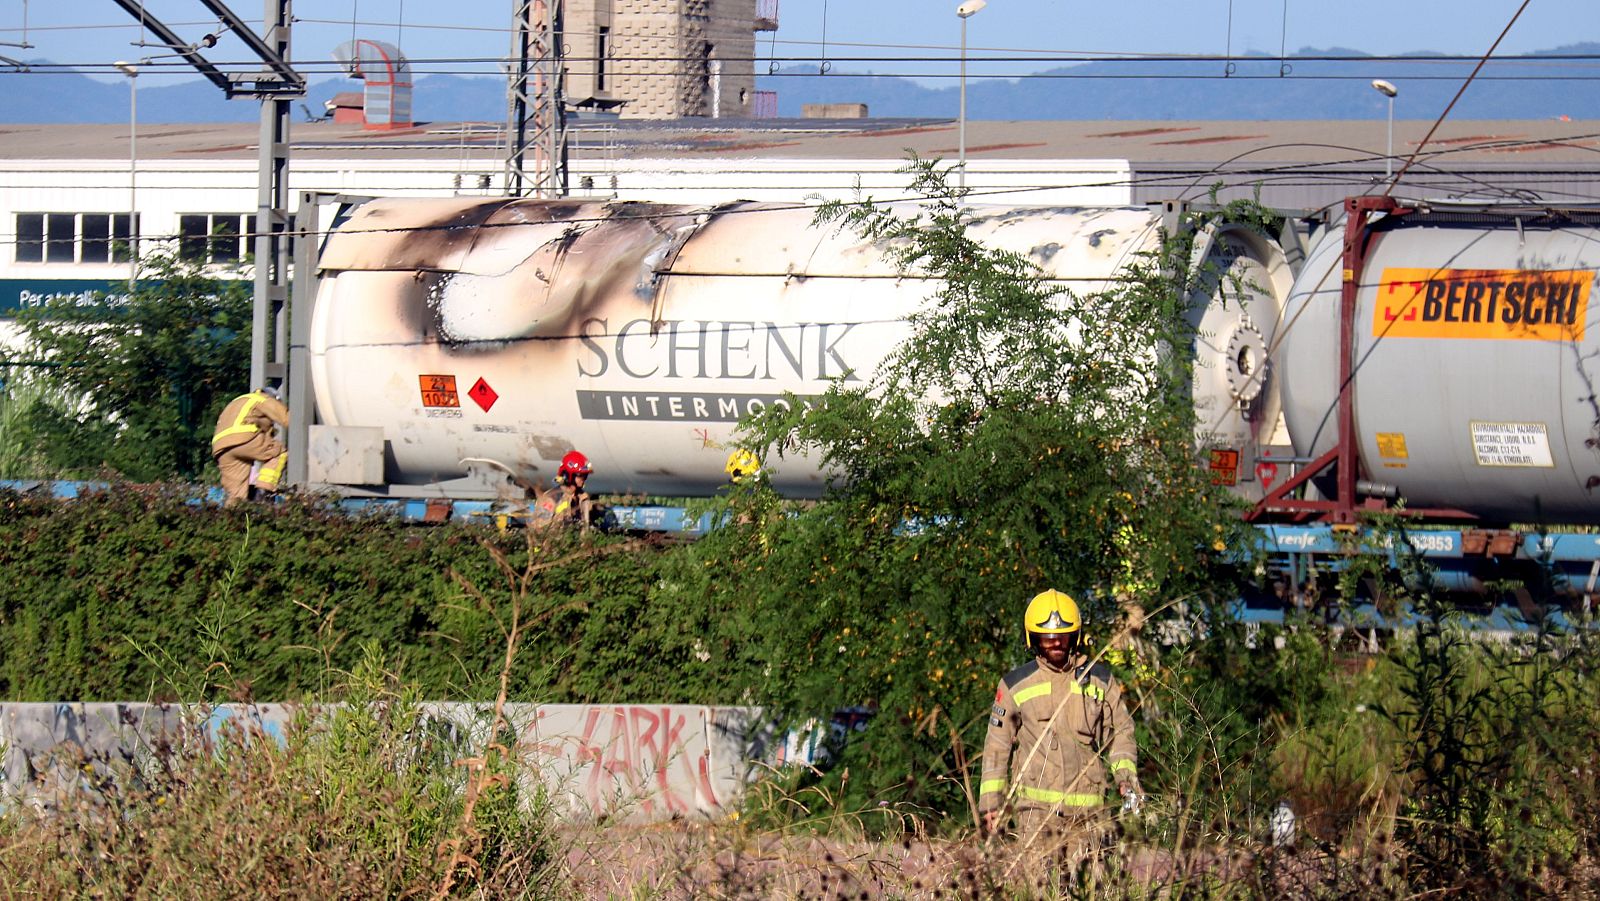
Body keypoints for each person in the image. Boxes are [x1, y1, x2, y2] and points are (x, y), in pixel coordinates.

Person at [978, 589, 1140, 865]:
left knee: (1089, 883)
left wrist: (1126, 779)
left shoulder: (1099, 680)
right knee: (1038, 884)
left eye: (1063, 636)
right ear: (1033, 638)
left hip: (1089, 815)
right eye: (1048, 637)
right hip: (1035, 817)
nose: (1055, 642)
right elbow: (997, 746)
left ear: (1074, 636)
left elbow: (1122, 735)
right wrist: (991, 805)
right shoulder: (1015, 684)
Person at [211, 387, 289, 507]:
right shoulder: (262, 399)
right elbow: (287, 418)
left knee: (236, 496)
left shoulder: (238, 401)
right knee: (278, 452)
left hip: (221, 448)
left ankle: (231, 516)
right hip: (243, 437)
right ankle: (264, 494)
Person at [534, 449, 595, 526]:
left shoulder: (583, 497)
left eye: (585, 476)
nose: (583, 479)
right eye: (581, 475)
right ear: (568, 475)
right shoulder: (551, 498)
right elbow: (540, 527)